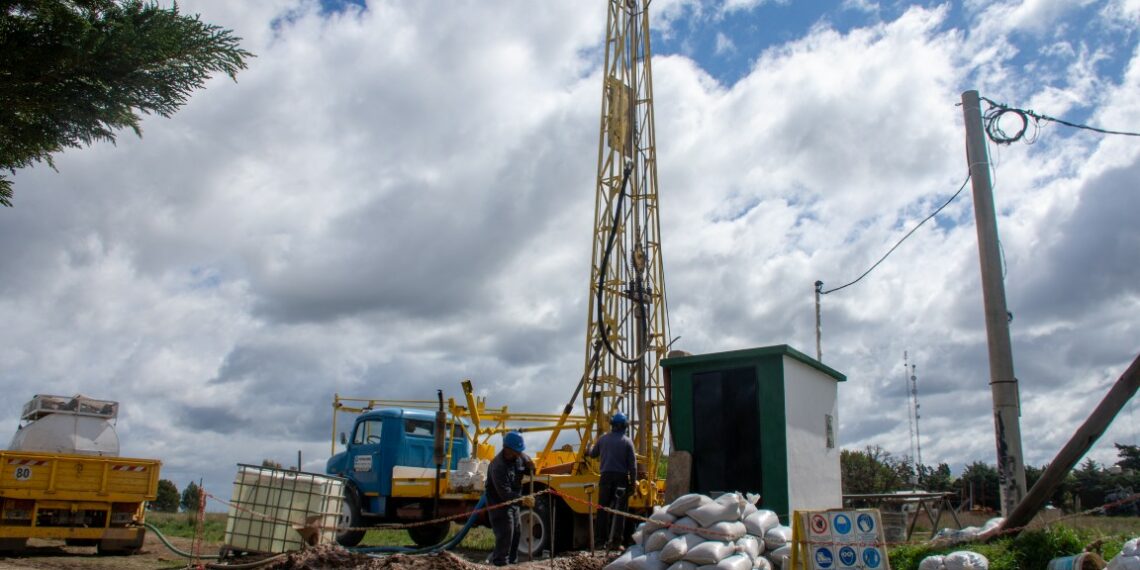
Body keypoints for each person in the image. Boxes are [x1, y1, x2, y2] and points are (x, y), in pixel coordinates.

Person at [587, 412, 637, 547]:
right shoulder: (627, 442)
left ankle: (599, 542)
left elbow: (592, 454)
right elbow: (632, 467)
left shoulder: (603, 439)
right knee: (620, 511)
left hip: (605, 478)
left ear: (612, 425)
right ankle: (616, 542)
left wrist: (588, 447)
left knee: (602, 509)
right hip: (621, 479)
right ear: (625, 426)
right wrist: (633, 484)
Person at [486, 431, 535, 566]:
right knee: (506, 534)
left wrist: (531, 467)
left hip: (514, 503)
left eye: (520, 451)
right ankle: (500, 564)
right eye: (516, 451)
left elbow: (528, 468)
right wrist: (523, 499)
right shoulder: (498, 466)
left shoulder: (520, 457)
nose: (519, 454)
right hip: (499, 504)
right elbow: (505, 494)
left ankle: (512, 563)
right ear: (507, 449)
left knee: (516, 534)